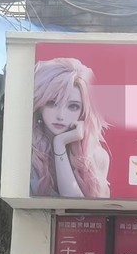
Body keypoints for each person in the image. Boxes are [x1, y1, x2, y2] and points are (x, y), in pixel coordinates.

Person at [31, 57, 111, 198]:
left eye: (73, 106)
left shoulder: (97, 156)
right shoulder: (29, 153)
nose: (61, 116)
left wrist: (59, 144)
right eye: (52, 103)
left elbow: (76, 203)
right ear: (40, 104)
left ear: (83, 112)